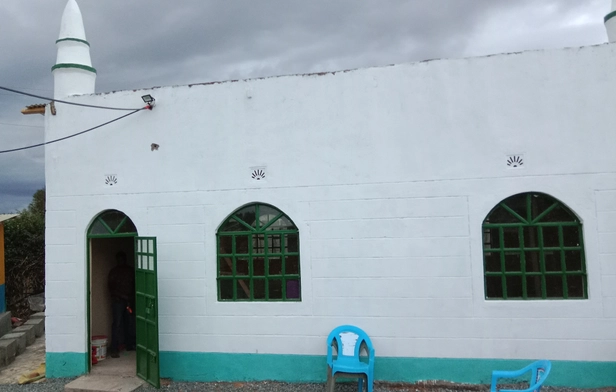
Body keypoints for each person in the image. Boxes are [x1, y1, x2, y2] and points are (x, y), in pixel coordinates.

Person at [107, 251, 135, 358]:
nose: (121, 261)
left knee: (129, 323)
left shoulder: (130, 271)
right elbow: (111, 288)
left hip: (129, 301)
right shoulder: (114, 272)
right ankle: (114, 348)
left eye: (122, 259)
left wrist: (131, 299)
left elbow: (134, 284)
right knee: (117, 324)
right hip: (118, 301)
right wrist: (124, 297)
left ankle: (129, 344)